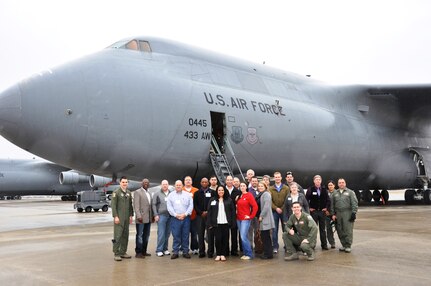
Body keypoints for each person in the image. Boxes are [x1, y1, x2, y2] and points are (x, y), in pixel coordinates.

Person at [207, 186, 236, 261]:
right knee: (218, 239)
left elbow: (233, 212)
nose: (221, 191)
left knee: (225, 239)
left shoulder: (229, 200)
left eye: (222, 190)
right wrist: (209, 223)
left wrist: (233, 222)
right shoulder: (212, 200)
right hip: (216, 223)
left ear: (224, 191)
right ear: (217, 191)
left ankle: (223, 254)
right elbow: (209, 212)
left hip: (226, 223)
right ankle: (218, 254)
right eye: (219, 190)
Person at [167, 180, 194, 259]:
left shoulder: (188, 195)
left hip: (186, 218)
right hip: (175, 219)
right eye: (177, 185)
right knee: (176, 235)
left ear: (182, 186)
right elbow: (169, 207)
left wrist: (185, 214)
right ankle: (175, 251)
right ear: (174, 186)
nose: (178, 186)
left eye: (179, 185)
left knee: (185, 235)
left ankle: (185, 251)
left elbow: (190, 206)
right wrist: (176, 215)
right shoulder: (171, 195)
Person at [331, 178, 358, 253]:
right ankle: (343, 244)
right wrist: (333, 214)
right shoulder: (335, 193)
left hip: (347, 213)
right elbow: (332, 205)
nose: (341, 184)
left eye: (343, 182)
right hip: (338, 213)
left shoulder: (350, 192)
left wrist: (353, 213)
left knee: (347, 230)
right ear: (338, 184)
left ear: (345, 183)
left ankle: (348, 245)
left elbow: (354, 203)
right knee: (340, 230)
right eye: (340, 183)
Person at [111, 176, 134, 261]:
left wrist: (131, 215)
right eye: (123, 182)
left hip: (127, 218)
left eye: (126, 182)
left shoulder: (128, 193)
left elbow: (130, 205)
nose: (125, 184)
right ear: (120, 183)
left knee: (125, 235)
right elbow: (113, 206)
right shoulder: (116, 192)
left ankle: (123, 252)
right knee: (118, 235)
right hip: (119, 218)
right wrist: (115, 216)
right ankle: (116, 253)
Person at [306, 175, 330, 250]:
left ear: (321, 181)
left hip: (322, 212)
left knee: (323, 229)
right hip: (314, 212)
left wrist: (326, 208)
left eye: (319, 179)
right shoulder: (310, 189)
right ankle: (312, 245)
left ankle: (324, 245)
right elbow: (306, 200)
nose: (318, 181)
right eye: (316, 180)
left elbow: (328, 200)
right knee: (313, 229)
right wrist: (309, 208)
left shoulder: (324, 189)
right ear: (314, 181)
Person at [268, 171, 290, 254]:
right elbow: (269, 201)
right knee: (274, 230)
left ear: (281, 178)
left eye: (278, 177)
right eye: (276, 177)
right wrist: (276, 208)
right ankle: (275, 247)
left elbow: (287, 199)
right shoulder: (270, 189)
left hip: (284, 212)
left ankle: (287, 246)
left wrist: (282, 208)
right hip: (274, 212)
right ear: (274, 178)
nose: (277, 178)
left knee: (285, 229)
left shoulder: (286, 188)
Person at [194, 177, 215, 258]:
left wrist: (208, 212)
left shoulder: (212, 192)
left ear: (208, 183)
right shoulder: (197, 193)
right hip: (200, 216)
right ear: (200, 183)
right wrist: (201, 212)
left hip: (209, 216)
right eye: (203, 182)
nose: (204, 183)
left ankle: (210, 252)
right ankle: (201, 251)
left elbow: (213, 203)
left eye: (206, 182)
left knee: (210, 235)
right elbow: (195, 205)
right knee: (200, 234)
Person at [237, 182, 258, 260]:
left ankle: (249, 254)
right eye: (241, 186)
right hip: (238, 219)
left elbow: (255, 206)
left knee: (243, 236)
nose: (242, 187)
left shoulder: (249, 195)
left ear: (246, 187)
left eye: (243, 186)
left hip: (245, 219)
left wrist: (251, 216)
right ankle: (245, 253)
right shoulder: (239, 196)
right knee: (243, 236)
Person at [152, 179, 172, 257]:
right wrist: (155, 215)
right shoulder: (157, 194)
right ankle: (159, 250)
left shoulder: (171, 193)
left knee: (167, 233)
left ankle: (165, 249)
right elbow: (153, 205)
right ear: (161, 185)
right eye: (163, 184)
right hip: (161, 216)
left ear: (168, 185)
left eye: (166, 184)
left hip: (170, 216)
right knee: (161, 233)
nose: (165, 185)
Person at [134, 178, 153, 258]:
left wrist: (152, 216)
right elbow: (136, 205)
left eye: (147, 182)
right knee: (139, 235)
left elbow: (150, 206)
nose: (146, 183)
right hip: (141, 218)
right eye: (144, 182)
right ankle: (138, 252)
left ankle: (144, 251)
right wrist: (138, 216)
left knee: (146, 235)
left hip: (148, 218)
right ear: (142, 183)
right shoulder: (137, 192)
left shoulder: (149, 193)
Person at [256, 181, 275, 259]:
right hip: (262, 218)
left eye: (262, 186)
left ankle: (268, 254)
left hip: (265, 218)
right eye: (259, 186)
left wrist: (261, 216)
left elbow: (266, 206)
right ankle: (267, 252)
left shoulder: (266, 194)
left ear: (265, 187)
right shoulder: (260, 194)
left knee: (266, 236)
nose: (260, 187)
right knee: (265, 236)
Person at [224, 175, 241, 256]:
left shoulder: (237, 191)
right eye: (228, 180)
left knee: (234, 234)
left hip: (234, 215)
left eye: (231, 180)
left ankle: (234, 250)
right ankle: (226, 250)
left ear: (233, 181)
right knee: (226, 234)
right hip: (224, 215)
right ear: (226, 181)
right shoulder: (223, 190)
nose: (230, 181)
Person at [182, 176, 199, 255]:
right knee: (184, 234)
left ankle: (194, 248)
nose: (188, 181)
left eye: (189, 180)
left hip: (194, 216)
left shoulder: (196, 190)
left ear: (191, 182)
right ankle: (184, 248)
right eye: (186, 180)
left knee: (194, 234)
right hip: (184, 216)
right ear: (184, 182)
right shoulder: (181, 190)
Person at [325, 180, 336, 249]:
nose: (330, 186)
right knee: (329, 229)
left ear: (334, 185)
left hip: (336, 214)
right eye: (329, 185)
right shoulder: (326, 193)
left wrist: (335, 214)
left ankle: (344, 243)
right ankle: (332, 243)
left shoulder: (337, 193)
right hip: (327, 214)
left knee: (340, 229)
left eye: (331, 185)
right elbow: (323, 202)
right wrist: (326, 210)